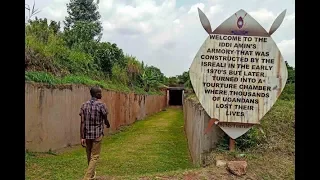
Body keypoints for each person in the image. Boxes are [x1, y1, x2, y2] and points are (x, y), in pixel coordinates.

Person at [79, 86, 110, 180]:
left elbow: (82, 122)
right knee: (95, 156)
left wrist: (82, 137)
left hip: (87, 134)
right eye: (100, 93)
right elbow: (105, 117)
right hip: (97, 134)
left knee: (89, 155)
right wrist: (107, 124)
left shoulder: (84, 105)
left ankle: (91, 174)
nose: (101, 94)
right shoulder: (101, 105)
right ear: (97, 94)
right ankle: (87, 177)